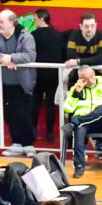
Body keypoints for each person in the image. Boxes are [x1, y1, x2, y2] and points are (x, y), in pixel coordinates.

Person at [0, 9, 37, 157]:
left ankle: (28, 144)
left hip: (23, 83)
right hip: (4, 82)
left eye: (1, 22)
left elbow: (30, 55)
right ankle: (16, 142)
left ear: (12, 23)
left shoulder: (26, 36)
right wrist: (3, 59)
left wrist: (12, 58)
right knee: (9, 114)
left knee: (24, 113)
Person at [62, 66, 102, 178]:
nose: (91, 80)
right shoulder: (76, 88)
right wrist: (75, 94)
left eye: (92, 76)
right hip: (84, 124)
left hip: (101, 122)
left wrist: (96, 111)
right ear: (81, 79)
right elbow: (68, 109)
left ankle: (74, 122)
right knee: (79, 132)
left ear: (94, 73)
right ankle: (79, 167)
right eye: (86, 79)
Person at [31, 9, 64, 140]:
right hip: (53, 74)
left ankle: (32, 131)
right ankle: (49, 134)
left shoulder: (33, 35)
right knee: (50, 104)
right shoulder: (58, 35)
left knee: (35, 102)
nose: (34, 21)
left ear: (41, 19)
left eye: (35, 18)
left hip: (38, 73)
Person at [64, 13, 102, 80]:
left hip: (101, 78)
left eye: (92, 26)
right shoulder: (74, 36)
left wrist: (78, 61)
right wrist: (96, 66)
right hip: (79, 77)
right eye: (86, 26)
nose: (89, 29)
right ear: (81, 26)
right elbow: (71, 56)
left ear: (96, 25)